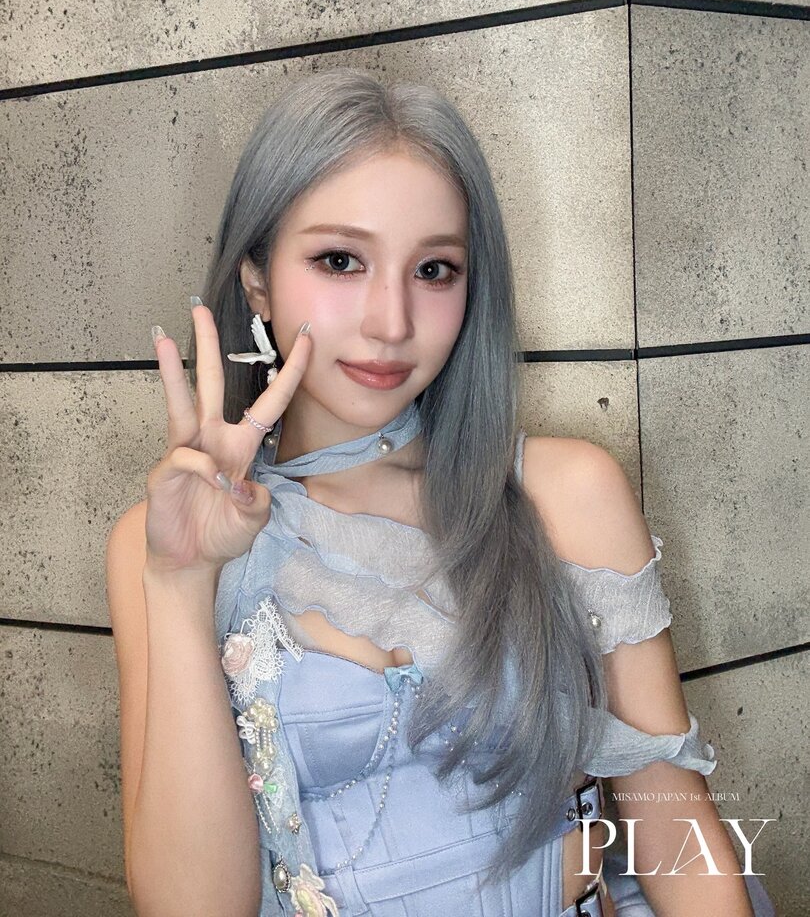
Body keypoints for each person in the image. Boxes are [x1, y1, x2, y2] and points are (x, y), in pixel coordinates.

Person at [106, 69, 774, 917]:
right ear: (257, 279)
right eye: (340, 260)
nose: (391, 321)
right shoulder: (159, 542)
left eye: (434, 269)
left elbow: (674, 830)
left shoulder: (565, 494)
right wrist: (181, 581)